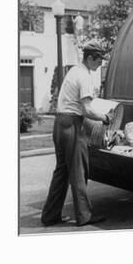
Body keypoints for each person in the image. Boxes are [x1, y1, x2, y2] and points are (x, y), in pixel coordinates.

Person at [41, 40, 111, 227]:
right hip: (72, 124)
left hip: (59, 124)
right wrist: (105, 118)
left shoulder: (74, 71)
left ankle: (50, 215)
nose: (100, 64)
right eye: (98, 60)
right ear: (89, 58)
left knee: (62, 171)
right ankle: (84, 216)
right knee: (79, 171)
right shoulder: (85, 76)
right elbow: (87, 109)